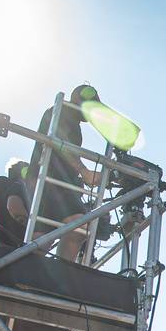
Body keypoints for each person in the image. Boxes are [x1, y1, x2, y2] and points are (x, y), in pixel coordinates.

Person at [29, 84, 107, 261]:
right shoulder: (63, 111)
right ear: (79, 99)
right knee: (77, 228)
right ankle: (59, 270)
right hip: (51, 180)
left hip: (52, 181)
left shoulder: (70, 120)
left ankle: (34, 270)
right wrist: (84, 171)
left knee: (44, 236)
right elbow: (59, 142)